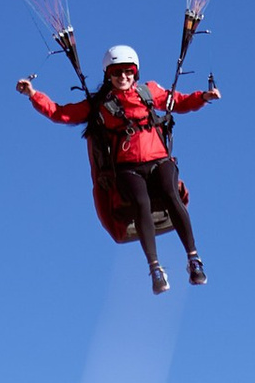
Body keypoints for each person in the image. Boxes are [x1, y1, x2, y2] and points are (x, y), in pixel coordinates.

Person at [18, 41, 221, 293]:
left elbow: (177, 102)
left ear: (135, 72)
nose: (122, 77)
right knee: (141, 204)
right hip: (128, 168)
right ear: (108, 75)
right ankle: (155, 269)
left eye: (127, 71)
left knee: (171, 194)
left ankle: (194, 259)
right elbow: (61, 113)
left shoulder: (149, 92)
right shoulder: (100, 104)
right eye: (116, 72)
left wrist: (202, 97)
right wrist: (33, 95)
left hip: (159, 160)